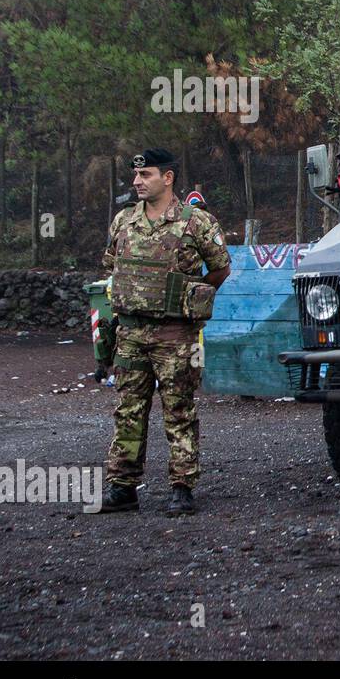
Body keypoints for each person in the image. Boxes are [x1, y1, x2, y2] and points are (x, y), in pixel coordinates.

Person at [92, 148, 230, 515]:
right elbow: (111, 268)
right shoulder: (123, 221)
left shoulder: (195, 222)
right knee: (128, 410)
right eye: (135, 176)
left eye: (146, 175)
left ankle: (182, 487)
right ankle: (122, 487)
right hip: (131, 333)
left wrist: (188, 295)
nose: (137, 182)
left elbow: (220, 269)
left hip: (174, 334)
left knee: (179, 410)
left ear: (167, 178)